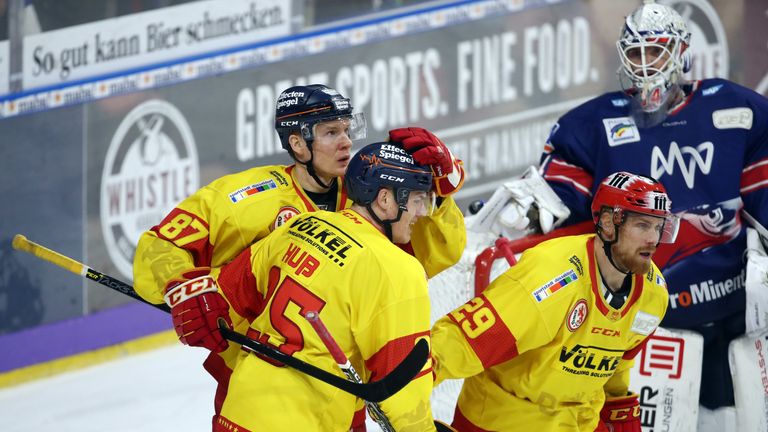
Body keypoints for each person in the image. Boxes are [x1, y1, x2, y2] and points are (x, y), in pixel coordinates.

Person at [472, 1, 768, 430]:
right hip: (646, 321)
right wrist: (530, 206)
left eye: (656, 51)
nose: (645, 64)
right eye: (636, 53)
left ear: (681, 52)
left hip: (733, 311)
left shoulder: (738, 111)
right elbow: (558, 199)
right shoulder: (593, 123)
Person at [132, 84, 466, 426]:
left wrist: (442, 191)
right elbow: (160, 245)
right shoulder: (244, 199)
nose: (346, 142)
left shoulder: (365, 193)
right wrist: (186, 286)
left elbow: (436, 252)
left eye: (348, 130)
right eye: (331, 132)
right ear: (297, 142)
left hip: (341, 388)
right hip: (256, 374)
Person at [198, 141, 439, 431]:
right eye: (415, 200)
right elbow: (405, 392)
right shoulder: (398, 268)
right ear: (385, 199)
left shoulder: (303, 224)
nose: (422, 213)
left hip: (238, 410)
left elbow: (227, 296)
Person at [433, 172, 677, 431]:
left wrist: (617, 405)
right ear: (607, 222)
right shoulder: (551, 276)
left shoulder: (653, 294)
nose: (653, 238)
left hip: (576, 421)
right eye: (642, 225)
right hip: (501, 422)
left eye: (659, 226)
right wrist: (409, 382)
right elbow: (465, 340)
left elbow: (617, 363)